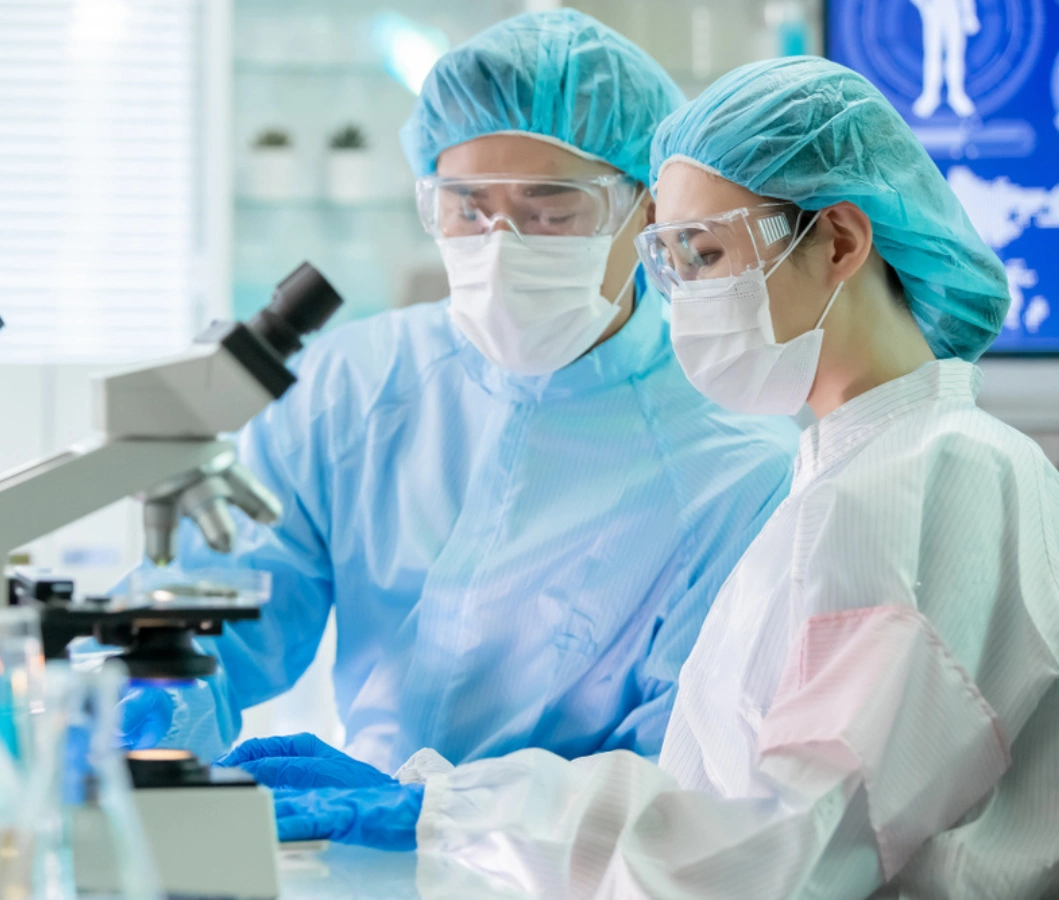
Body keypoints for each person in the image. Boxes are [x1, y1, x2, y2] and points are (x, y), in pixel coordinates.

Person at [228, 57, 1059, 899]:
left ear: (838, 239)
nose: (681, 298)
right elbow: (718, 806)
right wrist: (444, 811)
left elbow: (777, 852)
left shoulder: (932, 479)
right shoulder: (855, 474)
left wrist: (446, 813)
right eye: (669, 262)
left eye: (707, 255)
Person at [114, 9, 798, 772]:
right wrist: (144, 699)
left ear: (646, 209)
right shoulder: (353, 390)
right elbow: (231, 612)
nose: (499, 248)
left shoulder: (730, 461)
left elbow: (681, 768)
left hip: (571, 876)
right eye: (467, 208)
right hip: (355, 850)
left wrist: (440, 816)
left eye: (550, 210)